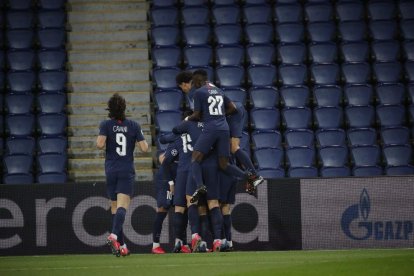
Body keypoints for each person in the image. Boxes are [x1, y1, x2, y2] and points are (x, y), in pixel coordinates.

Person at [178, 71, 263, 203]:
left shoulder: (196, 92)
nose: (183, 90)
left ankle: (254, 175)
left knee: (233, 147)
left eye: (182, 87)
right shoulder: (210, 86)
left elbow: (201, 115)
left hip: (233, 113)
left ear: (185, 84)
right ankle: (251, 176)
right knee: (228, 154)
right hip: (232, 111)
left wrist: (188, 119)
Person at [97, 93, 149, 257]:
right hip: (126, 170)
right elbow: (145, 148)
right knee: (122, 207)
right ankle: (113, 236)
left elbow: (99, 145)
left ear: (110, 110)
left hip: (111, 169)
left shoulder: (105, 124)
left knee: (114, 207)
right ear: (124, 108)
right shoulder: (133, 125)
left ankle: (123, 245)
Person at [151, 150, 177, 254]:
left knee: (180, 208)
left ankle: (180, 243)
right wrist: (170, 182)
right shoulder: (172, 142)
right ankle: (155, 245)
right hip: (165, 179)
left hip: (178, 177)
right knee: (163, 208)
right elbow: (162, 158)